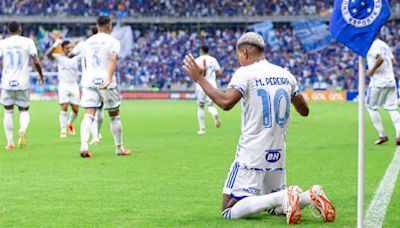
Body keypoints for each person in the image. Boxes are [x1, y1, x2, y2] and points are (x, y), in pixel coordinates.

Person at [183, 32, 335, 224]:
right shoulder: (285, 73)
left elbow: (226, 102)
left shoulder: (245, 73)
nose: (239, 60)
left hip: (252, 153)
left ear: (245, 52)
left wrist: (200, 79)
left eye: (239, 56)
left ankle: (282, 196)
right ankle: (308, 196)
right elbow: (304, 110)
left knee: (228, 209)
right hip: (277, 153)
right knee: (274, 209)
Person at [75, 16, 131, 158]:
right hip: (106, 82)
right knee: (114, 116)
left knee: (88, 114)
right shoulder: (113, 41)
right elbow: (113, 59)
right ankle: (119, 149)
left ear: (97, 25)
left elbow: (86, 63)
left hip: (89, 82)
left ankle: (83, 145)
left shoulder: (87, 42)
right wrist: (109, 79)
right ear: (109, 25)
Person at [0, 21, 44, 150]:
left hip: (7, 82)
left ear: (8, 31)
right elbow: (36, 61)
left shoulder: (3, 43)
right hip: (23, 82)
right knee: (24, 110)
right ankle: (22, 130)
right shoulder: (28, 41)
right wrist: (41, 75)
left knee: (8, 111)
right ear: (20, 29)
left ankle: (10, 143)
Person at [71, 26, 104, 145]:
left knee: (90, 112)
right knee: (101, 111)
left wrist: (75, 44)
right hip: (103, 81)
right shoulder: (105, 43)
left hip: (88, 81)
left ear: (90, 33)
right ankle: (97, 134)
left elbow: (70, 54)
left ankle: (89, 140)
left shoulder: (83, 44)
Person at [366, 37, 400, 145]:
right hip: (390, 81)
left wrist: (371, 71)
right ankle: (399, 135)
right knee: (392, 109)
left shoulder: (373, 46)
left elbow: (380, 59)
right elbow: (393, 61)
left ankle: (382, 135)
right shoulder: (384, 45)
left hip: (378, 83)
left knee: (371, 108)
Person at [46, 39, 80, 138]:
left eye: (70, 47)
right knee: (64, 107)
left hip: (74, 84)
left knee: (76, 109)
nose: (69, 49)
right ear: (63, 49)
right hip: (64, 85)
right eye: (67, 48)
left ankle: (69, 123)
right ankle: (63, 130)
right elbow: (47, 55)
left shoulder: (76, 57)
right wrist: (55, 44)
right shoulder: (59, 57)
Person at [194, 45, 223, 135]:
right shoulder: (213, 60)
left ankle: (202, 129)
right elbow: (218, 72)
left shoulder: (197, 60)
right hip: (212, 84)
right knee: (210, 105)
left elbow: (194, 73)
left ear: (201, 51)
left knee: (200, 106)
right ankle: (214, 114)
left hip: (201, 84)